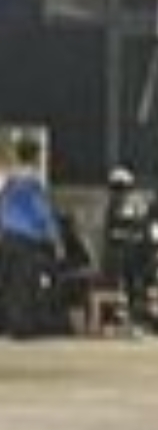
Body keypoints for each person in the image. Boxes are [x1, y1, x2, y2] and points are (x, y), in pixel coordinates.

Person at [0, 136, 66, 341]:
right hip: (26, 239)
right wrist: (57, 241)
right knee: (22, 283)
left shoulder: (9, 180)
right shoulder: (33, 182)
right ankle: (21, 327)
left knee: (6, 282)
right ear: (36, 155)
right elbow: (43, 213)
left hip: (6, 236)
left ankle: (6, 324)